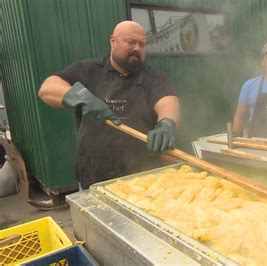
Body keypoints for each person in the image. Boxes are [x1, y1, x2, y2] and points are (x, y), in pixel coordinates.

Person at [38, 21, 181, 189]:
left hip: (143, 176)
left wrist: (166, 123)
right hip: (95, 176)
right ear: (113, 41)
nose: (137, 48)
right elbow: (47, 88)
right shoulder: (89, 69)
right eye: (130, 42)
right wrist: (82, 98)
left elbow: (168, 101)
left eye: (142, 44)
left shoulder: (154, 77)